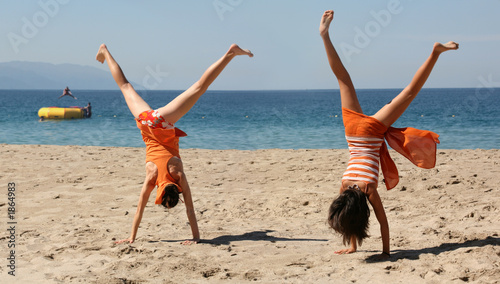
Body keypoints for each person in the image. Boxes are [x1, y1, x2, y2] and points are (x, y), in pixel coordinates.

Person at [319, 10, 458, 259]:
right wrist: (352, 246)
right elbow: (346, 210)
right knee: (343, 80)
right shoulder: (344, 186)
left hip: (372, 133)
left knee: (408, 93)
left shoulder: (370, 189)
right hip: (352, 133)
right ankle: (324, 36)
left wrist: (385, 253)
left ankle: (435, 53)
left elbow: (383, 224)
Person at [96, 43, 253, 245]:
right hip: (146, 121)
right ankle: (105, 52)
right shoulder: (152, 178)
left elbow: (189, 209)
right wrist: (131, 237)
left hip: (162, 121)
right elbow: (139, 210)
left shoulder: (178, 177)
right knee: (125, 87)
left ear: (175, 191)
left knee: (199, 87)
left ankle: (230, 54)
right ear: (160, 193)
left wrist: (196, 237)